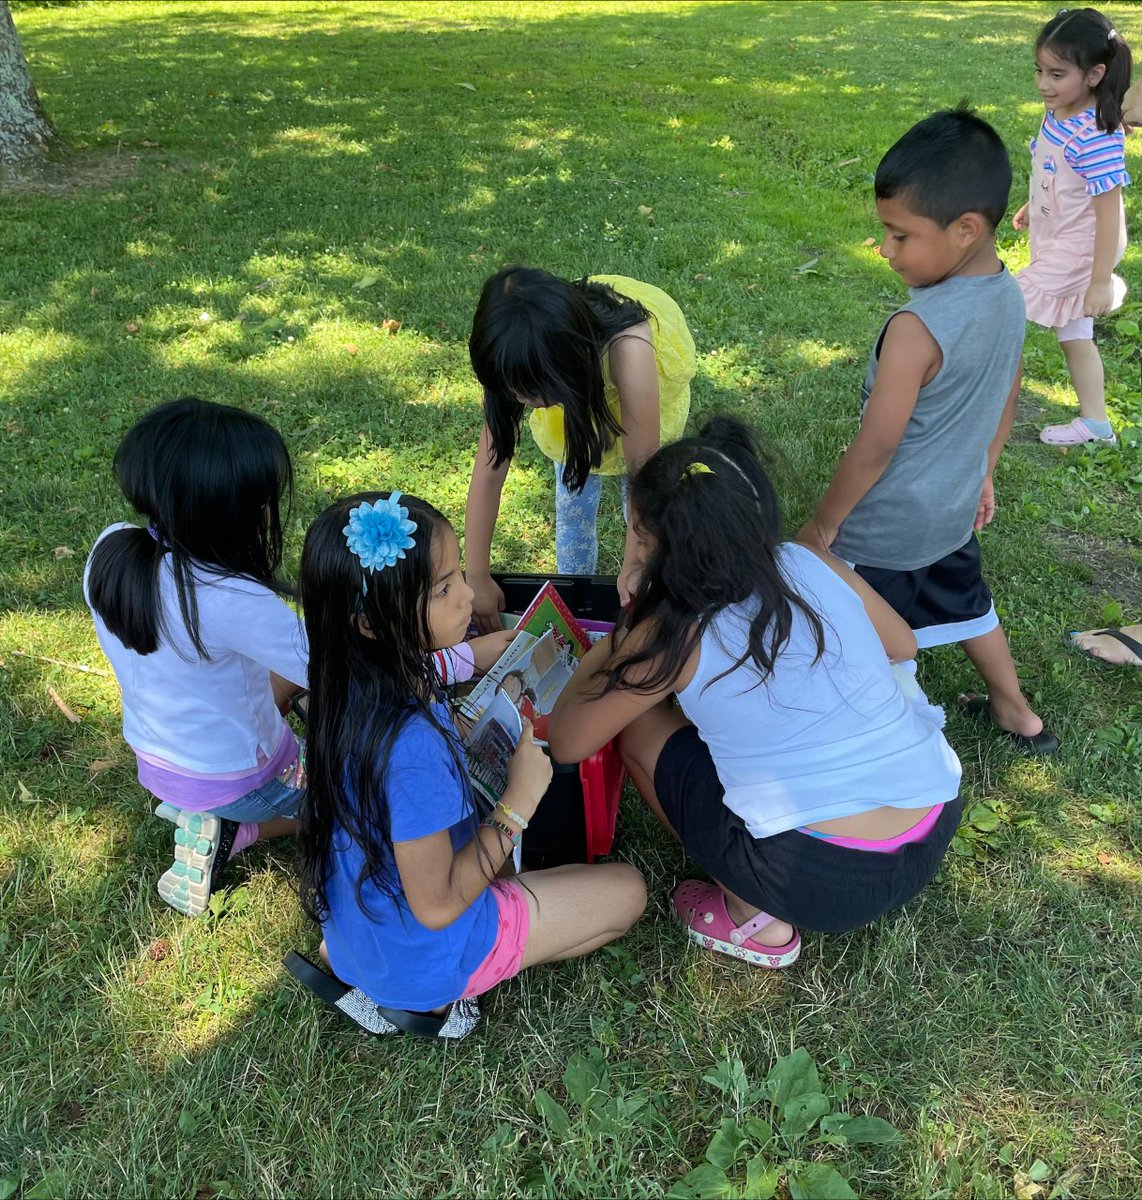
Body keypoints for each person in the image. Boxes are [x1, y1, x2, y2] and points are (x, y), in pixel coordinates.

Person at [547, 418, 963, 968]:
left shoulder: (673, 631)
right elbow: (902, 644)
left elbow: (569, 741)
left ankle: (753, 916)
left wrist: (624, 636)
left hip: (814, 879)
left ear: (655, 549)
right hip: (931, 821)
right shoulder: (807, 559)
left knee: (639, 729)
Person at [295, 490, 645, 1037]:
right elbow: (436, 906)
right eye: (443, 588)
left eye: (459, 574)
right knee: (627, 893)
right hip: (431, 948)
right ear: (370, 623)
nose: (467, 595)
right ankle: (438, 1005)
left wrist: (469, 659)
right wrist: (518, 803)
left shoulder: (345, 691)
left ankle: (379, 975)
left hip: (358, 941)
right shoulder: (411, 748)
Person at [798, 106, 1059, 755]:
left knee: (859, 638)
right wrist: (984, 471)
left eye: (900, 235)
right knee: (969, 607)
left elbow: (878, 443)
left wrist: (824, 529)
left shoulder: (915, 330)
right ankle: (1016, 711)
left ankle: (885, 739)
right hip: (951, 514)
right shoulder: (1008, 297)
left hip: (881, 531)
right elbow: (1009, 388)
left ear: (966, 229)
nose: (885, 250)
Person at [84, 397, 309, 918]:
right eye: (264, 502)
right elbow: (334, 666)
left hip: (161, 762)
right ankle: (239, 827)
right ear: (233, 516)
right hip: (243, 779)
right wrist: (458, 656)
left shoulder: (112, 548)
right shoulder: (232, 598)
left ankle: (208, 816)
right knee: (344, 805)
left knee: (271, 685)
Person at [464, 266, 696, 630]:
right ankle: (575, 596)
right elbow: (489, 473)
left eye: (534, 391)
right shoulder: (514, 352)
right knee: (573, 506)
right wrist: (476, 577)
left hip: (633, 393)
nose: (526, 403)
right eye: (516, 393)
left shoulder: (630, 350)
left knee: (641, 513)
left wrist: (635, 565)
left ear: (565, 366)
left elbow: (643, 475)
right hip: (575, 393)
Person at [1013, 7, 1132, 446]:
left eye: (1057, 74)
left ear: (1095, 74)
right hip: (1058, 234)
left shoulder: (1095, 136)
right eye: (1039, 70)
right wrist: (1033, 204)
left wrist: (1098, 280)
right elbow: (1052, 169)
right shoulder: (1059, 113)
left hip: (1083, 247)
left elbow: (1107, 213)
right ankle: (1097, 424)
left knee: (1008, 301)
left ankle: (965, 389)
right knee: (1074, 332)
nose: (1044, 83)